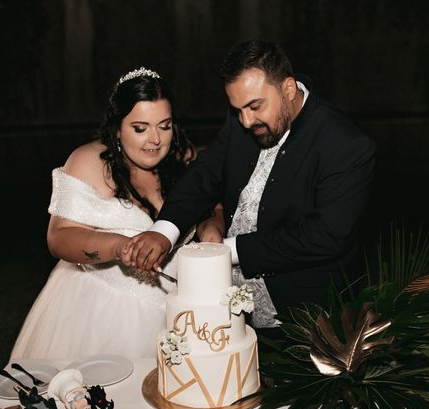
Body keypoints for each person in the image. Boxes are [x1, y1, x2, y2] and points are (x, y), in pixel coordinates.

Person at [123, 41, 376, 333]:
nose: (245, 121)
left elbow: (326, 236)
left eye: (255, 107)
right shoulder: (243, 119)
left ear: (289, 89)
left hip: (306, 321)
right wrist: (164, 230)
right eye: (238, 109)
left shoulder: (346, 145)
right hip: (230, 311)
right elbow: (206, 173)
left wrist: (224, 251)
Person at [11, 67, 200, 360]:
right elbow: (58, 237)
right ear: (117, 127)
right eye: (140, 128)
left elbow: (213, 205)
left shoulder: (185, 159)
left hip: (180, 311)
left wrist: (212, 224)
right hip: (101, 313)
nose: (154, 140)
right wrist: (118, 246)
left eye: (164, 126)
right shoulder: (87, 162)